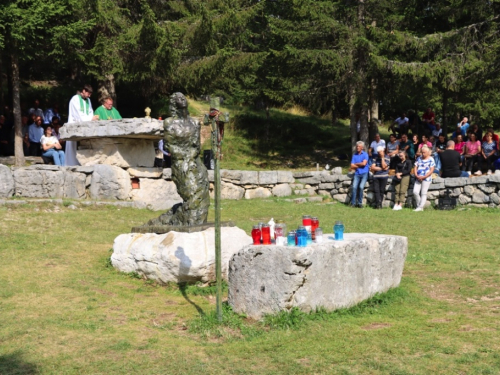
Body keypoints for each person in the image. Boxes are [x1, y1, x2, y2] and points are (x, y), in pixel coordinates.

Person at [66, 84, 99, 166]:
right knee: (73, 147)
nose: (89, 95)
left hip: (85, 125)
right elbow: (77, 114)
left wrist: (93, 117)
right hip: (74, 125)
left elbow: (90, 111)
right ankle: (71, 164)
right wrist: (90, 119)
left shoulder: (88, 100)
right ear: (83, 91)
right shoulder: (75, 99)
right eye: (88, 93)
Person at [413, 145, 435, 212]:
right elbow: (415, 167)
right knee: (415, 192)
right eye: (422, 152)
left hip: (426, 178)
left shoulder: (431, 159)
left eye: (424, 152)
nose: (423, 154)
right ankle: (420, 205)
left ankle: (420, 207)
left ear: (428, 152)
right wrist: (416, 175)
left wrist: (424, 176)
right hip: (418, 177)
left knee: (423, 193)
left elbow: (431, 170)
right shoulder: (419, 158)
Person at [350, 141, 369, 208]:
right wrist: (359, 164)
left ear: (362, 147)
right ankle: (353, 203)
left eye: (359, 146)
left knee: (361, 187)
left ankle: (360, 203)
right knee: (354, 187)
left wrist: (356, 164)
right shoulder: (354, 155)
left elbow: (364, 164)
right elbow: (352, 166)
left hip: (364, 173)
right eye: (357, 146)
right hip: (357, 173)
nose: (357, 147)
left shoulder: (365, 154)